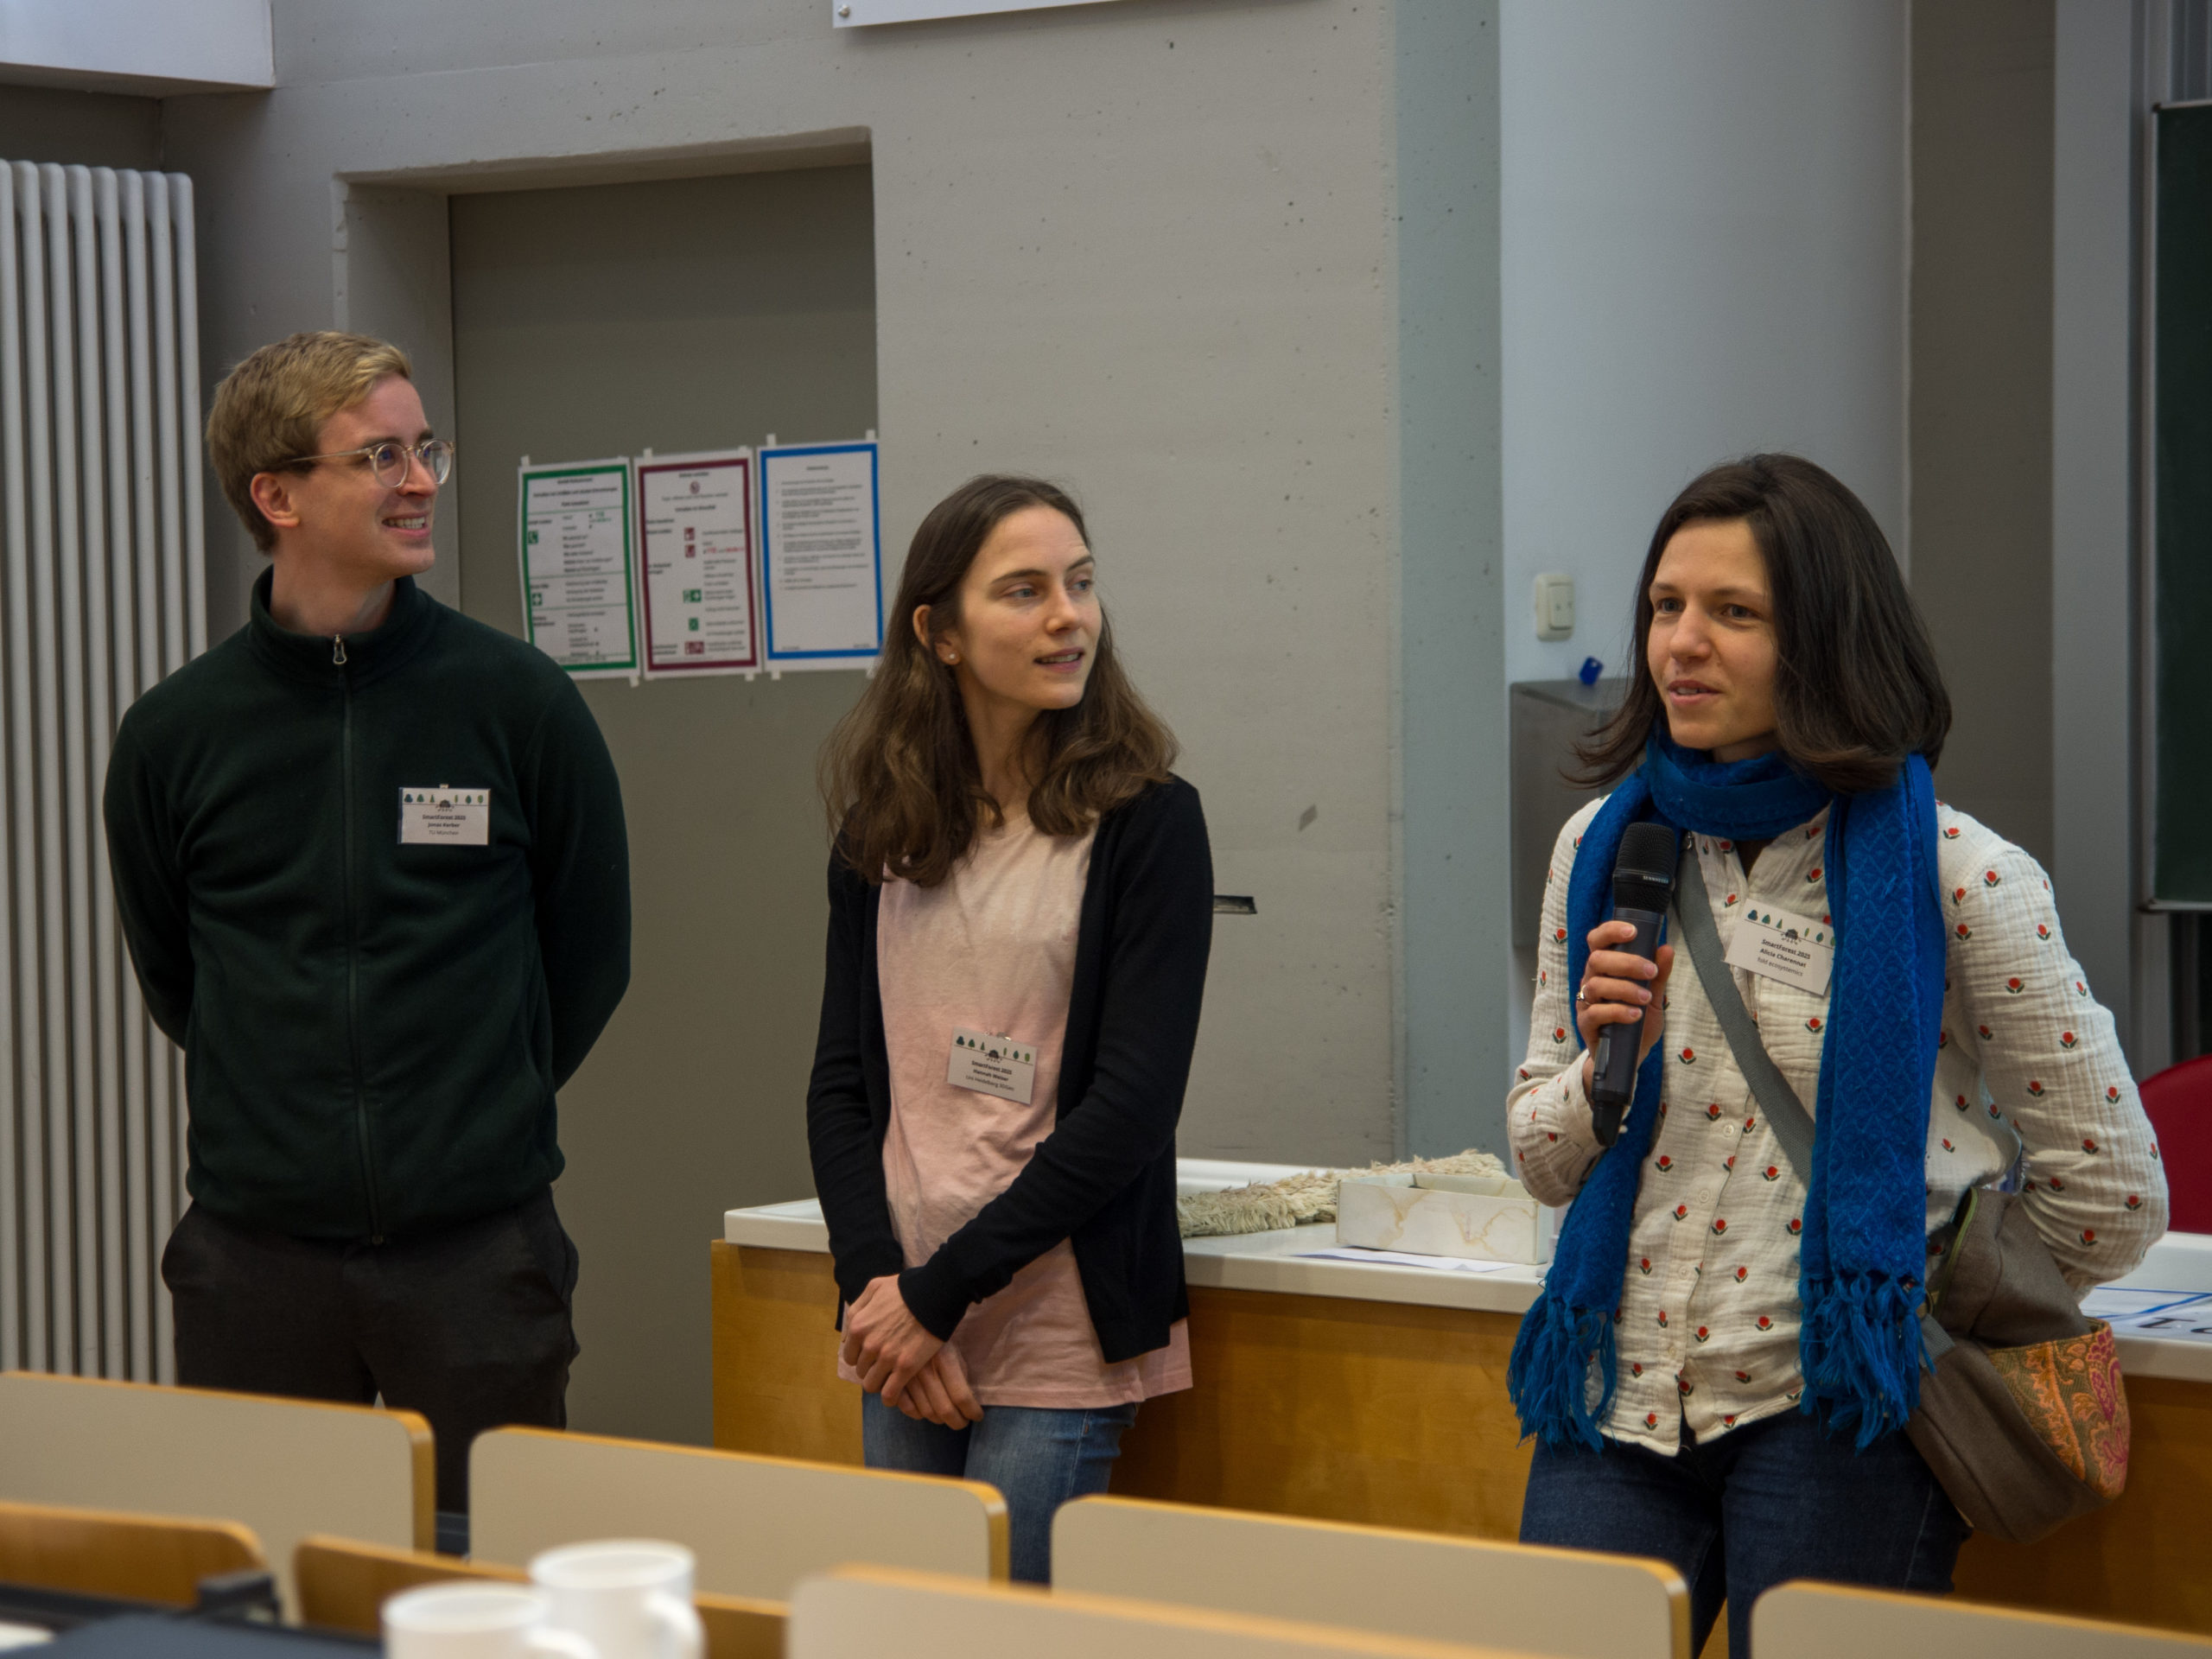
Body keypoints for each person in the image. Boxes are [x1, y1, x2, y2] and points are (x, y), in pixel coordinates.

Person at [1505, 454, 2166, 1658]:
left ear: (1825, 642)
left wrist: (1915, 1296)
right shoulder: (1605, 850)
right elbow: (1540, 1159)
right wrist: (1602, 1074)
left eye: (1734, 613)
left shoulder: (1962, 875)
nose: (1682, 643)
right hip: (1615, 1394)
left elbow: (2112, 1195)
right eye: (1665, 606)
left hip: (1840, 1410)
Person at [104, 332, 630, 1528]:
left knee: (489, 1576)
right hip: (255, 1261)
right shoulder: (176, 735)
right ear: (277, 496)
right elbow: (179, 979)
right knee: (277, 1582)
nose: (421, 480)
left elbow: (590, 957)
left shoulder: (516, 702)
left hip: (477, 1250)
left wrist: (468, 1107)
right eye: (380, 456)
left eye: (424, 448)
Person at [807, 474, 1211, 1584]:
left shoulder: (1148, 824)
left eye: (1079, 584)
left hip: (1052, 1324)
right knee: (902, 1630)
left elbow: (1130, 1108)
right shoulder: (880, 831)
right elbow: (842, 1084)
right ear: (938, 632)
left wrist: (938, 1295)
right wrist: (878, 1288)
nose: (1067, 617)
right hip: (901, 1317)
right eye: (1024, 591)